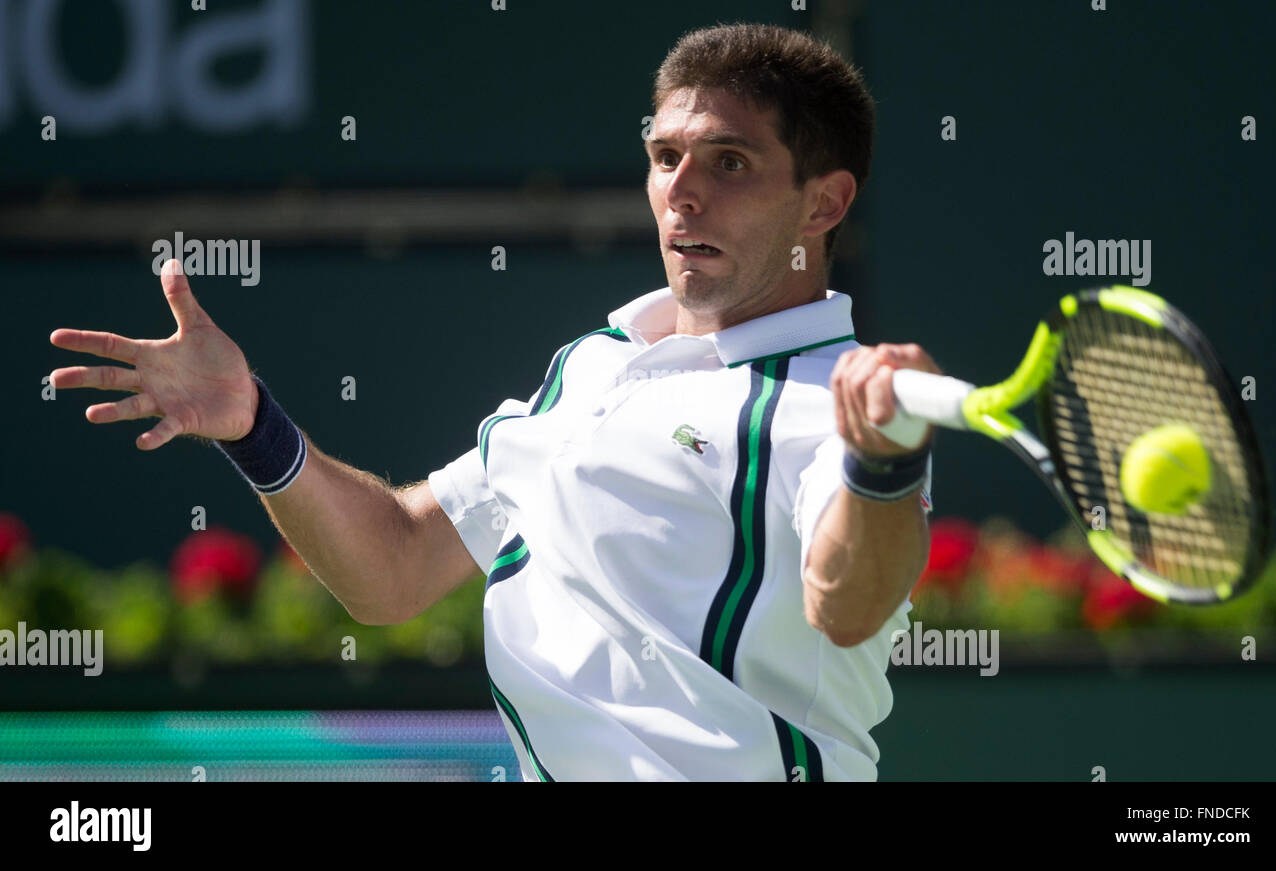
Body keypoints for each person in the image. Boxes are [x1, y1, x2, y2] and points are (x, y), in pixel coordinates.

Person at [48, 23, 940, 781]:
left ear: (823, 204)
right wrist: (252, 424)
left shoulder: (835, 407)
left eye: (730, 161)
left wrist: (887, 467)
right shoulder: (589, 366)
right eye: (665, 157)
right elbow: (393, 567)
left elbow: (850, 604)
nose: (682, 191)